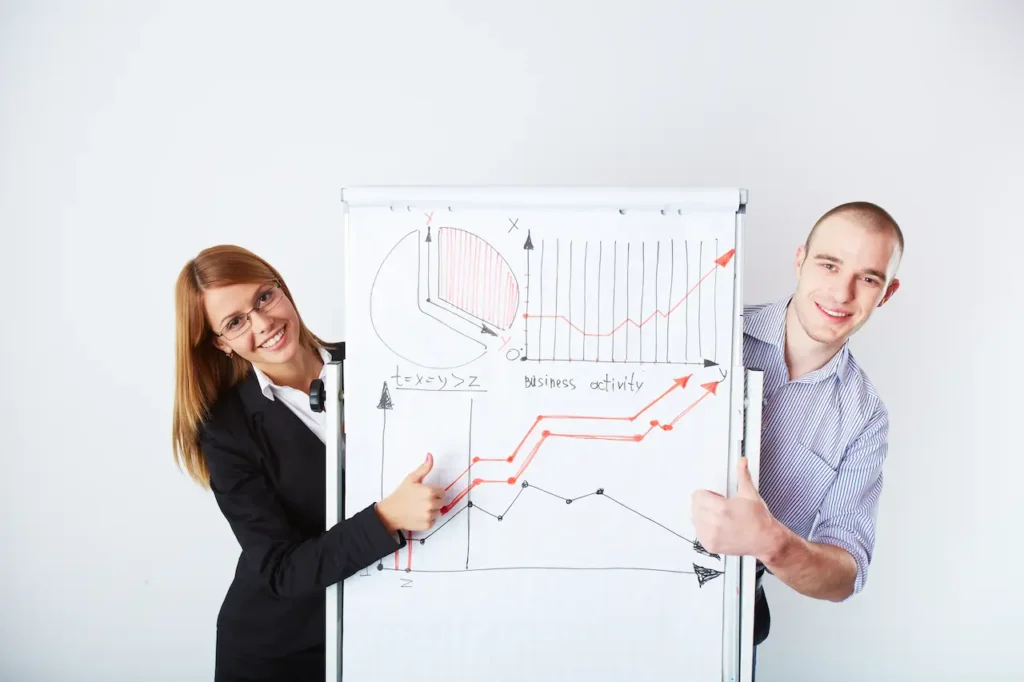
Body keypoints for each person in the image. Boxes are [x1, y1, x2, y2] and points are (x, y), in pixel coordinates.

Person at [171, 245, 446, 681]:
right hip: (285, 651)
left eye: (264, 297)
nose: (263, 323)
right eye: (236, 322)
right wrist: (385, 518)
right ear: (221, 344)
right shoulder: (225, 430)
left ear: (282, 288)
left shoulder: (378, 363)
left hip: (394, 629)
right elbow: (280, 568)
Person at [690, 201, 903, 676]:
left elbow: (847, 572)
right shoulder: (707, 333)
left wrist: (773, 543)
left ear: (886, 293)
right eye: (830, 264)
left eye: (868, 278)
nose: (842, 292)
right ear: (800, 259)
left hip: (731, 622)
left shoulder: (865, 418)